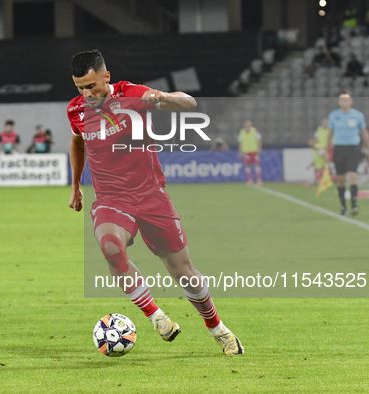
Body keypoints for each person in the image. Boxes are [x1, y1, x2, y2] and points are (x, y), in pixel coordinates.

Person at [67, 50, 243, 355]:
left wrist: (161, 97)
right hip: (111, 199)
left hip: (151, 196)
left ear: (106, 77)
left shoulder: (133, 95)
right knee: (110, 246)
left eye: (91, 85)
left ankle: (218, 329)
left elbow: (189, 103)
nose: (86, 93)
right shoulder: (76, 111)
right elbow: (77, 142)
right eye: (80, 87)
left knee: (184, 272)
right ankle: (156, 316)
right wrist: (76, 186)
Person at [327, 92, 369, 216]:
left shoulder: (358, 115)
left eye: (346, 100)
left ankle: (354, 205)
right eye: (341, 100)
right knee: (340, 180)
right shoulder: (334, 115)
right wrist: (326, 151)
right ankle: (343, 207)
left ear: (351, 101)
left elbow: (365, 132)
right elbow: (330, 134)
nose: (344, 102)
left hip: (353, 148)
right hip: (339, 148)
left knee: (352, 176)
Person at [238, 120, 262, 186]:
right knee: (247, 165)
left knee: (256, 164)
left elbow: (259, 140)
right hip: (246, 151)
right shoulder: (242, 132)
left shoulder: (255, 130)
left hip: (254, 150)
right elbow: (240, 142)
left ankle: (259, 179)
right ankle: (249, 180)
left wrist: (259, 148)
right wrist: (240, 151)